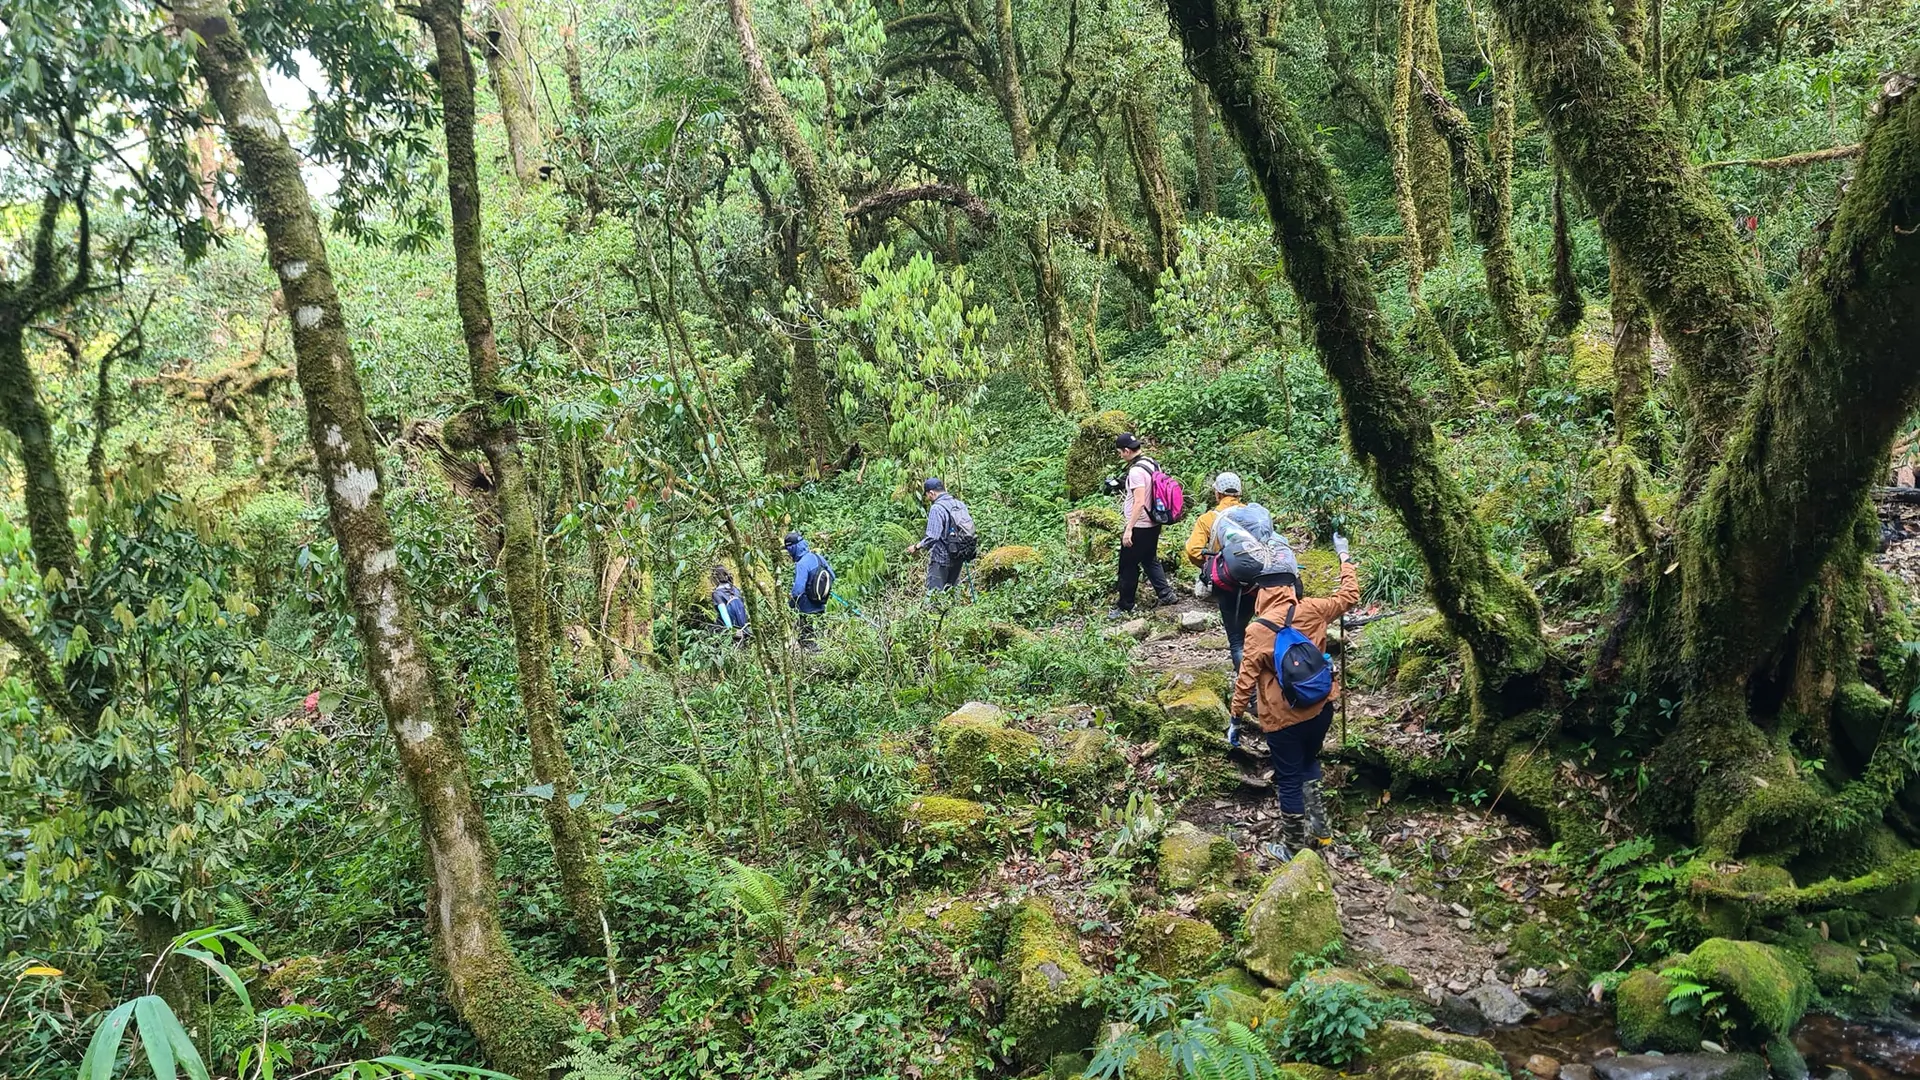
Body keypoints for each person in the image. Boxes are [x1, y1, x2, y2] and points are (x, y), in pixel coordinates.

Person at [1229, 533, 1360, 858]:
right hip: (1320, 708)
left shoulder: (1258, 629)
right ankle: (1321, 830)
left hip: (1282, 719)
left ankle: (1291, 846)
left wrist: (1235, 718)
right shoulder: (1313, 609)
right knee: (1309, 762)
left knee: (1288, 777)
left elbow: (1246, 679)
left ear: (1263, 592)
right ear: (1290, 586)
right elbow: (1349, 595)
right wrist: (1343, 557)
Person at [1185, 472, 1257, 672]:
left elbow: (1192, 550)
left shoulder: (1208, 519)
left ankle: (1247, 690)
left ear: (1217, 493)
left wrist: (1208, 566)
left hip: (1226, 581)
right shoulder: (1254, 514)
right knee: (1259, 628)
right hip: (1257, 580)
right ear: (1240, 492)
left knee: (1236, 639)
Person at [1114, 432, 1177, 614]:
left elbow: (1139, 501)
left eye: (1120, 452)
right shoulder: (1150, 462)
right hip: (1155, 521)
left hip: (1140, 525)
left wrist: (1129, 529)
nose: (1120, 455)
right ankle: (1166, 594)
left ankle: (1125, 605)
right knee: (1149, 559)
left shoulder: (1135, 471)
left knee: (1127, 566)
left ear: (1126, 451)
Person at [907, 477, 977, 594]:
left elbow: (932, 537)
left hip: (941, 558)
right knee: (952, 593)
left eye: (927, 495)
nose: (928, 498)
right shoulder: (959, 504)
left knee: (934, 594)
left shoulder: (937, 508)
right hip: (959, 555)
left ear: (931, 493)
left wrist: (916, 547)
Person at [783, 531, 830, 649]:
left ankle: (813, 663)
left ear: (793, 548)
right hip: (821, 604)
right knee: (821, 636)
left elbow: (798, 591)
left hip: (806, 608)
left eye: (788, 549)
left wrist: (791, 604)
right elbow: (832, 576)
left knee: (807, 640)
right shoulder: (818, 558)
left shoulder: (802, 564)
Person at [710, 565, 749, 642]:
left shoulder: (716, 593)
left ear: (715, 578)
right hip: (744, 627)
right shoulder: (736, 590)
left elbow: (723, 612)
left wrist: (732, 631)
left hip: (730, 630)